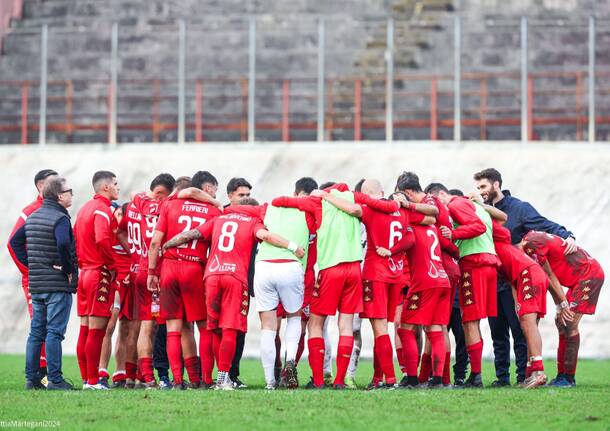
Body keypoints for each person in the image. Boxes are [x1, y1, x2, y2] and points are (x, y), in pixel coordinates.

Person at [162, 197, 305, 390]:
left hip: (212, 275)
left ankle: (207, 380)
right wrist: (293, 246)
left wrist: (168, 244)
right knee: (230, 328)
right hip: (234, 278)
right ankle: (223, 378)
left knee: (213, 329)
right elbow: (267, 236)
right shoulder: (253, 221)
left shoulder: (219, 219)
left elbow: (190, 234)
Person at [474, 168, 576, 386]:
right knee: (498, 333)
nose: (481, 191)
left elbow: (544, 225)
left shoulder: (519, 209)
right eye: (478, 188)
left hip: (520, 276)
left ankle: (525, 374)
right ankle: (502, 378)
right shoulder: (483, 213)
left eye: (483, 186)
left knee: (522, 329)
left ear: (496, 184)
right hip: (500, 279)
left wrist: (567, 235)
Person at [148, 171, 222, 389]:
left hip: (169, 268)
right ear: (203, 190)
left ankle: (178, 381)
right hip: (195, 268)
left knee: (173, 328)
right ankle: (203, 379)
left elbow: (155, 242)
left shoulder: (169, 205)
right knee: (203, 327)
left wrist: (153, 272)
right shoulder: (212, 210)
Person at [10, 176, 77, 390]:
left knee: (36, 332)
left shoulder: (34, 216)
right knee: (54, 332)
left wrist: (32, 265)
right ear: (59, 196)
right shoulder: (60, 218)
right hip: (56, 285)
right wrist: (66, 269)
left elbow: (15, 242)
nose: (71, 195)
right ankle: (55, 380)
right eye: (69, 191)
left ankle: (32, 379)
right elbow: (64, 243)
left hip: (37, 285)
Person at [429, 183, 498, 388]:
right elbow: (499, 222)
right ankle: (475, 374)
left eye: (437, 202)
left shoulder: (456, 203)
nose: (438, 209)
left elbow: (478, 227)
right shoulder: (477, 207)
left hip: (474, 264)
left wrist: (453, 234)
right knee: (473, 321)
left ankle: (476, 376)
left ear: (442, 194)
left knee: (470, 321)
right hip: (489, 263)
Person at [397, 172, 460, 386]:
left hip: (430, 276)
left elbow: (431, 215)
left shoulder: (425, 205)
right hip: (442, 273)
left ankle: (413, 378)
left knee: (406, 327)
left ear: (406, 193)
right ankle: (438, 378)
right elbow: (432, 218)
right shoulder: (429, 220)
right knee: (437, 327)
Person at [521, 231, 604, 387]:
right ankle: (562, 376)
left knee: (569, 323)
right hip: (578, 279)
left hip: (589, 275)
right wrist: (561, 303)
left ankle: (568, 378)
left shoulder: (530, 245)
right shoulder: (529, 239)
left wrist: (561, 304)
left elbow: (549, 275)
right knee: (561, 322)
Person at [7, 168, 58, 385]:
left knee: (48, 325)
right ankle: (39, 376)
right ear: (40, 186)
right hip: (36, 279)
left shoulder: (55, 209)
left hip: (49, 278)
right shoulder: (31, 211)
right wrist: (29, 271)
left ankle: (43, 376)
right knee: (41, 326)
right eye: (53, 183)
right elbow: (12, 243)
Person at [74, 171, 120, 390]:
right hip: (98, 273)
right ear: (105, 187)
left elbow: (75, 240)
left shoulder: (83, 209)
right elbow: (102, 238)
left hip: (84, 274)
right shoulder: (102, 210)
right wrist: (112, 265)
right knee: (97, 330)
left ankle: (86, 378)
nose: (117, 188)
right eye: (115, 184)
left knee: (85, 328)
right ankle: (93, 381)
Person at [225, 177, 253, 388]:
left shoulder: (254, 213)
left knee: (239, 330)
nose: (245, 199)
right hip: (220, 277)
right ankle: (214, 376)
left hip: (244, 279)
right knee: (219, 329)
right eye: (241, 195)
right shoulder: (220, 213)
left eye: (247, 195)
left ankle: (232, 375)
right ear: (230, 197)